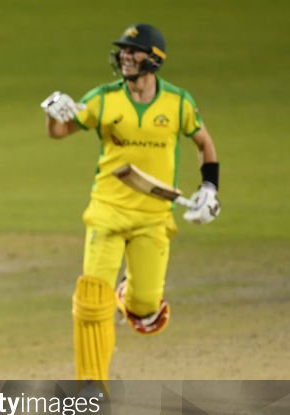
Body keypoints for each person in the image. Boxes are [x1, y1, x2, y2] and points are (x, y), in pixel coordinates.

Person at [40, 23, 220, 388]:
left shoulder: (178, 103)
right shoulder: (104, 99)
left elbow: (203, 143)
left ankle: (129, 296)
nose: (125, 55)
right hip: (107, 209)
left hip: (153, 216)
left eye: (133, 50)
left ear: (153, 60)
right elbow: (59, 132)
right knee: (92, 299)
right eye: (122, 50)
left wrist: (210, 189)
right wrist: (53, 112)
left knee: (145, 307)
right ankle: (91, 385)